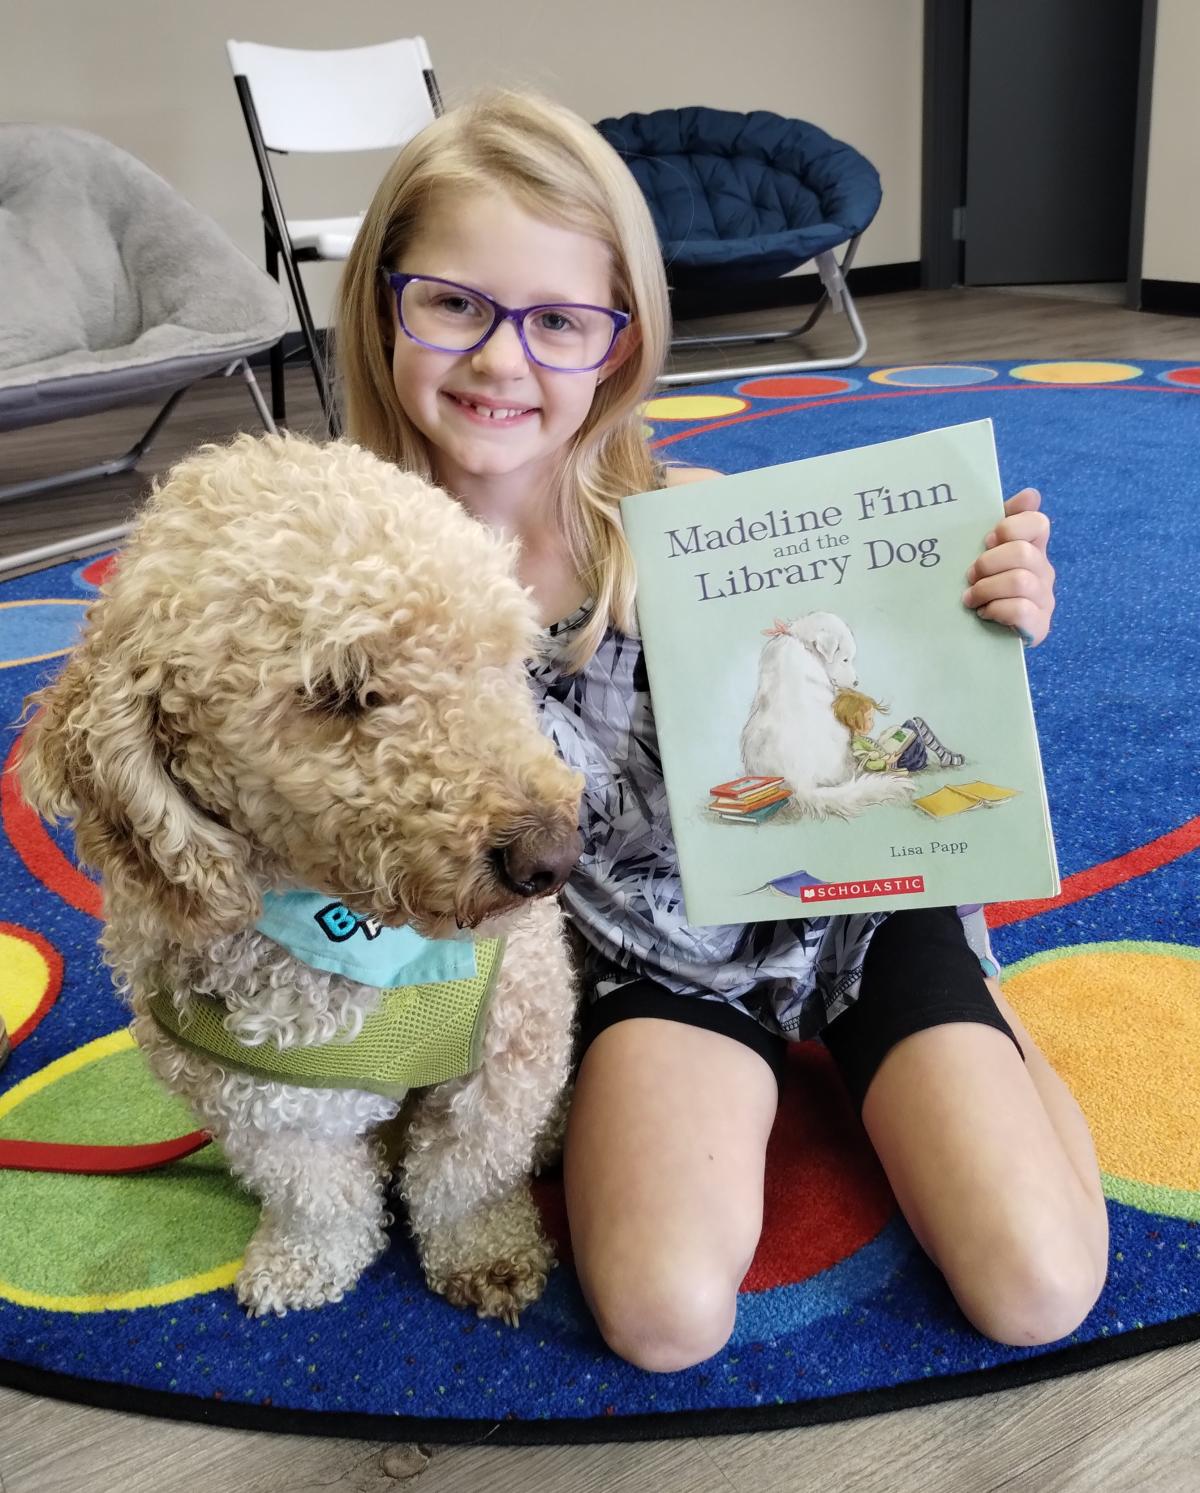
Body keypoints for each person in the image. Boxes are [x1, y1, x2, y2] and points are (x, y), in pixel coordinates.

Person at [335, 90, 1107, 1373]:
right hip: (656, 953)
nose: (501, 359)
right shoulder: (360, 575)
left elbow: (884, 678)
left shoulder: (699, 521)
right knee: (661, 1316)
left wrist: (987, 602)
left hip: (870, 898)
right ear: (384, 305)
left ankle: (985, 1020)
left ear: (621, 344)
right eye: (455, 302)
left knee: (1037, 1286)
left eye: (561, 321)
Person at [831, 688, 965, 772]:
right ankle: (943, 756)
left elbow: (874, 751)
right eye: (869, 719)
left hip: (899, 758)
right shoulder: (856, 744)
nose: (873, 723)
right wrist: (887, 761)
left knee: (909, 726)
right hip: (903, 762)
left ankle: (943, 755)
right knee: (915, 724)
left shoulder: (859, 740)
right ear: (854, 721)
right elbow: (869, 765)